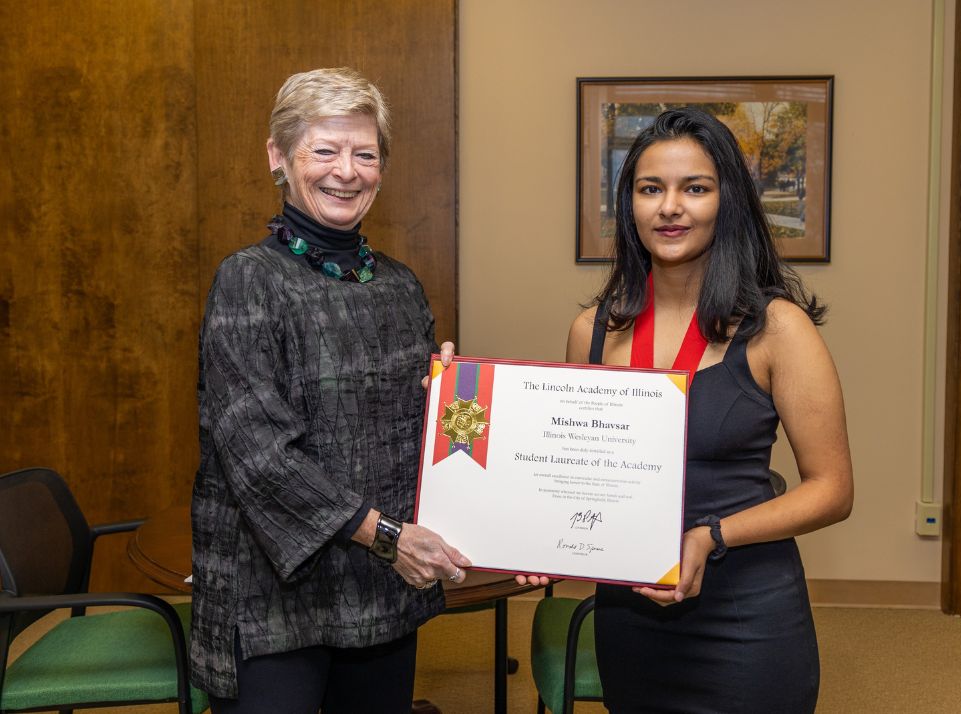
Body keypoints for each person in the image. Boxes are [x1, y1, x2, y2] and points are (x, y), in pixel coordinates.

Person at [524, 107, 853, 712]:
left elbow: (832, 490)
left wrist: (710, 537)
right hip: (629, 612)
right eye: (651, 189)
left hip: (745, 613)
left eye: (695, 188)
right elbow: (580, 474)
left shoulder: (778, 329)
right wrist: (538, 543)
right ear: (630, 206)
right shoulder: (592, 331)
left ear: (726, 202)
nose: (669, 207)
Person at [189, 67, 470, 714]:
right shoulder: (248, 281)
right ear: (279, 157)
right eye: (325, 150)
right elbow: (260, 455)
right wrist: (390, 537)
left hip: (377, 591)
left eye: (365, 154)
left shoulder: (400, 286)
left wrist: (454, 398)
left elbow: (407, 435)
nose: (346, 170)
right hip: (276, 597)